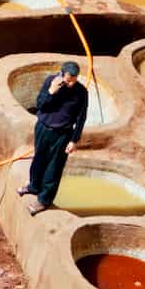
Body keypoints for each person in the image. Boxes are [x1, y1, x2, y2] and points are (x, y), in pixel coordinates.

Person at [21, 61, 90, 215]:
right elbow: (39, 104)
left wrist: (74, 140)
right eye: (68, 78)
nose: (71, 82)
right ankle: (33, 186)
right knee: (38, 159)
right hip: (43, 127)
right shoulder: (50, 82)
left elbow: (81, 118)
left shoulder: (81, 92)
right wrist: (51, 91)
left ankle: (44, 200)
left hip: (62, 133)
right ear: (62, 74)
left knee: (54, 167)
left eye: (74, 79)